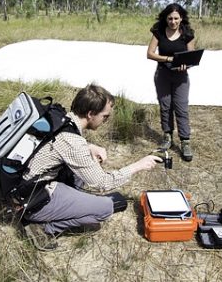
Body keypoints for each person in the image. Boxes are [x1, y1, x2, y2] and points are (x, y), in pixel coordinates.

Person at [22, 83, 162, 249]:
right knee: (105, 208)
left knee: (80, 178)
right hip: (31, 197)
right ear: (90, 114)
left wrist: (89, 147)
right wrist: (138, 165)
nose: (106, 120)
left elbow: (61, 145)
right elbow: (103, 183)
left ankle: (56, 208)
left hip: (23, 182)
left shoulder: (61, 117)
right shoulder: (73, 142)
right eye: (105, 116)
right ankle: (43, 228)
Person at [147, 3, 195, 161]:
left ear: (181, 18)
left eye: (176, 18)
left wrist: (185, 64)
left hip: (181, 77)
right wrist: (168, 58)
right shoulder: (159, 32)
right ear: (165, 18)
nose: (173, 22)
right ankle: (167, 136)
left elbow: (192, 57)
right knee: (165, 106)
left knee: (181, 108)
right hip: (162, 75)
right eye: (170, 18)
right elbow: (150, 53)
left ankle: (185, 141)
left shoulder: (187, 33)